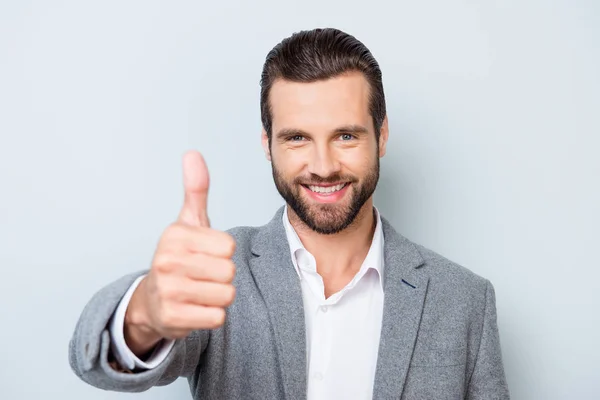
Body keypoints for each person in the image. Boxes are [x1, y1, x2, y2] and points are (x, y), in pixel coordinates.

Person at [68, 27, 510, 400]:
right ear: (268, 144)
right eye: (297, 138)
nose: (322, 165)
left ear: (382, 135)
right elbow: (93, 361)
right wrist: (143, 314)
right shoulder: (219, 274)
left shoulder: (465, 300)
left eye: (346, 136)